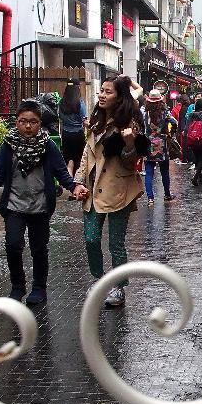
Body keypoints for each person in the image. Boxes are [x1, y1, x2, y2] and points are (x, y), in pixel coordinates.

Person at [0, 100, 87, 304]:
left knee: (39, 247)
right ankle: (17, 286)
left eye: (33, 122)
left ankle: (39, 288)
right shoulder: (8, 144)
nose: (28, 126)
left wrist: (74, 186)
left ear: (40, 123)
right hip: (14, 205)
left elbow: (61, 171)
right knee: (12, 245)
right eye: (23, 121)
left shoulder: (47, 144)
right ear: (16, 122)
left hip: (40, 206)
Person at [74, 75, 150, 308]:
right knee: (90, 238)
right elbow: (87, 155)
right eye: (101, 91)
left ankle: (118, 287)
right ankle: (98, 279)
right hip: (93, 189)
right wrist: (77, 182)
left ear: (119, 96)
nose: (102, 95)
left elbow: (131, 163)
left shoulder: (129, 123)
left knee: (116, 243)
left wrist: (129, 144)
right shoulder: (95, 121)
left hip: (119, 189)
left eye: (108, 92)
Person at [142, 89, 178, 206]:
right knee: (164, 171)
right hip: (162, 144)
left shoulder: (144, 112)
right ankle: (167, 194)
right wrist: (171, 133)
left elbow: (139, 126)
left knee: (149, 172)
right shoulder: (165, 112)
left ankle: (150, 198)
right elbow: (174, 123)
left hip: (148, 143)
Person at [58, 77, 88, 180]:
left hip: (66, 134)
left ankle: (70, 185)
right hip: (78, 135)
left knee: (69, 160)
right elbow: (84, 121)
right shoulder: (80, 102)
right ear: (78, 87)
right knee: (79, 161)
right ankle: (77, 188)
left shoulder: (61, 102)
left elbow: (60, 119)